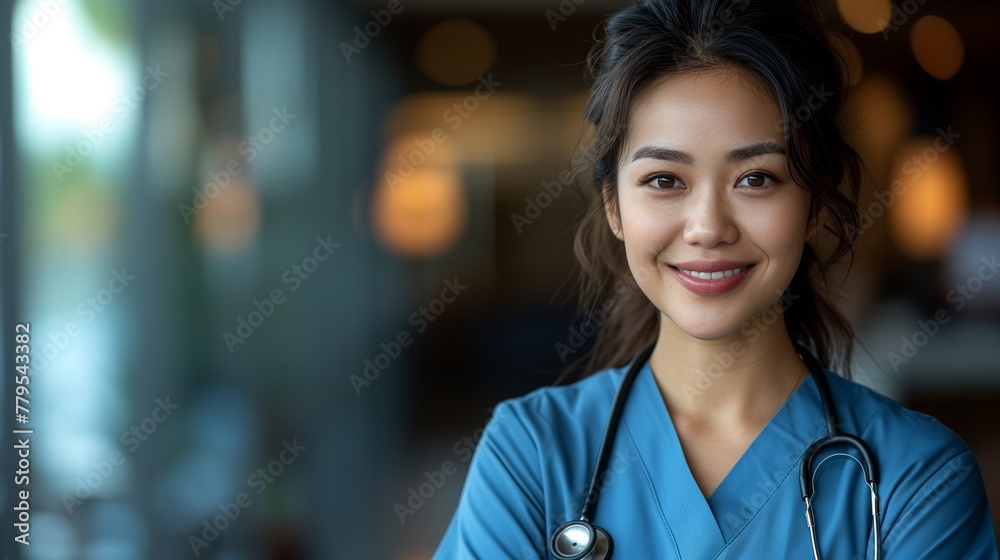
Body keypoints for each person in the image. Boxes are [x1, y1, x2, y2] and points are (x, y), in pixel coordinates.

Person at [433, 0, 999, 557]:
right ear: (613, 205)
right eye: (663, 180)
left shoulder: (917, 478)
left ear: (816, 203)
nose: (707, 227)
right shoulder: (530, 455)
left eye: (755, 178)